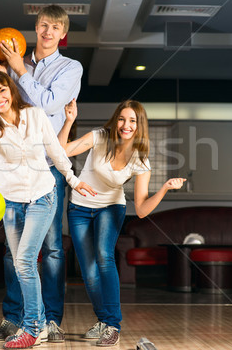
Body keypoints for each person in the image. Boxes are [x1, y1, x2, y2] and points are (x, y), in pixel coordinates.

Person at [0, 71, 95, 349]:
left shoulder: (35, 114)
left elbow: (55, 149)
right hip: (10, 201)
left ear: (11, 90)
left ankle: (31, 328)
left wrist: (73, 180)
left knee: (25, 261)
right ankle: (38, 323)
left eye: (2, 90)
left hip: (42, 195)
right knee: (20, 264)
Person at [0, 4, 82, 343]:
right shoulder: (17, 63)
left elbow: (48, 105)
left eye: (55, 27)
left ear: (62, 33)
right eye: (43, 25)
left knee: (52, 247)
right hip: (13, 166)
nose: (47, 32)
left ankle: (51, 319)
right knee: (13, 249)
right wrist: (3, 71)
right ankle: (14, 318)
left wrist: (18, 69)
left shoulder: (71, 68)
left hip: (48, 167)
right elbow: (5, 108)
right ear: (36, 27)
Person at [58, 99, 185, 346]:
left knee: (104, 256)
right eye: (122, 119)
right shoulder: (99, 137)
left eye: (132, 121)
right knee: (89, 271)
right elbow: (62, 150)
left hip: (111, 207)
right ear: (116, 120)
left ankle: (113, 326)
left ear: (140, 126)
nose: (126, 125)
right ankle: (104, 321)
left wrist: (165, 189)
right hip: (79, 208)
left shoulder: (140, 159)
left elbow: (141, 210)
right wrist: (69, 121)